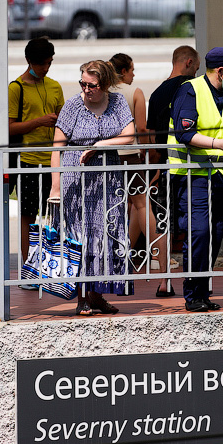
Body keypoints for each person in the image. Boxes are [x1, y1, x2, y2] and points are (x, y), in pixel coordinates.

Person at [169, 47, 223, 312]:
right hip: (191, 174)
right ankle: (193, 294)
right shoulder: (190, 90)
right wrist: (220, 143)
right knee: (200, 232)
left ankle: (203, 291)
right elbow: (185, 134)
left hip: (220, 175)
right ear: (220, 71)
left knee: (217, 231)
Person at [49, 60, 136, 316]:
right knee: (81, 238)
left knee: (105, 236)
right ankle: (81, 298)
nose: (86, 89)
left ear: (105, 84)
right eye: (83, 83)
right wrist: (56, 187)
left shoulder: (118, 102)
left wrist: (100, 145)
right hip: (76, 182)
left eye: (92, 85)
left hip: (108, 182)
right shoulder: (73, 106)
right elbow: (57, 147)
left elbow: (129, 135)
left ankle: (97, 295)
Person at [109, 53, 168, 296]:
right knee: (143, 205)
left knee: (131, 207)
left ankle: (122, 261)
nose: (134, 75)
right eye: (132, 70)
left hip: (109, 155)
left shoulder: (105, 92)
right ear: (123, 71)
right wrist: (151, 155)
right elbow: (141, 129)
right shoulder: (135, 93)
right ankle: (163, 267)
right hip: (132, 154)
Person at [8, 37, 65, 288]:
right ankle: (28, 269)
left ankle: (51, 266)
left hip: (53, 160)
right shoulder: (16, 88)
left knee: (53, 216)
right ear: (30, 61)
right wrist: (38, 122)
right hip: (29, 161)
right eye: (43, 64)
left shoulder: (54, 86)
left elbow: (64, 121)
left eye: (50, 63)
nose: (46, 68)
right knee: (28, 217)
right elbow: (9, 128)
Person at [145, 46, 200, 295]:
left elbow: (151, 137)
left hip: (163, 167)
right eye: (196, 67)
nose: (197, 72)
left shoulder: (157, 94)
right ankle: (195, 280)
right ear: (189, 62)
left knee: (162, 223)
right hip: (191, 165)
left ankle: (164, 281)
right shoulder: (192, 89)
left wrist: (153, 170)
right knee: (192, 223)